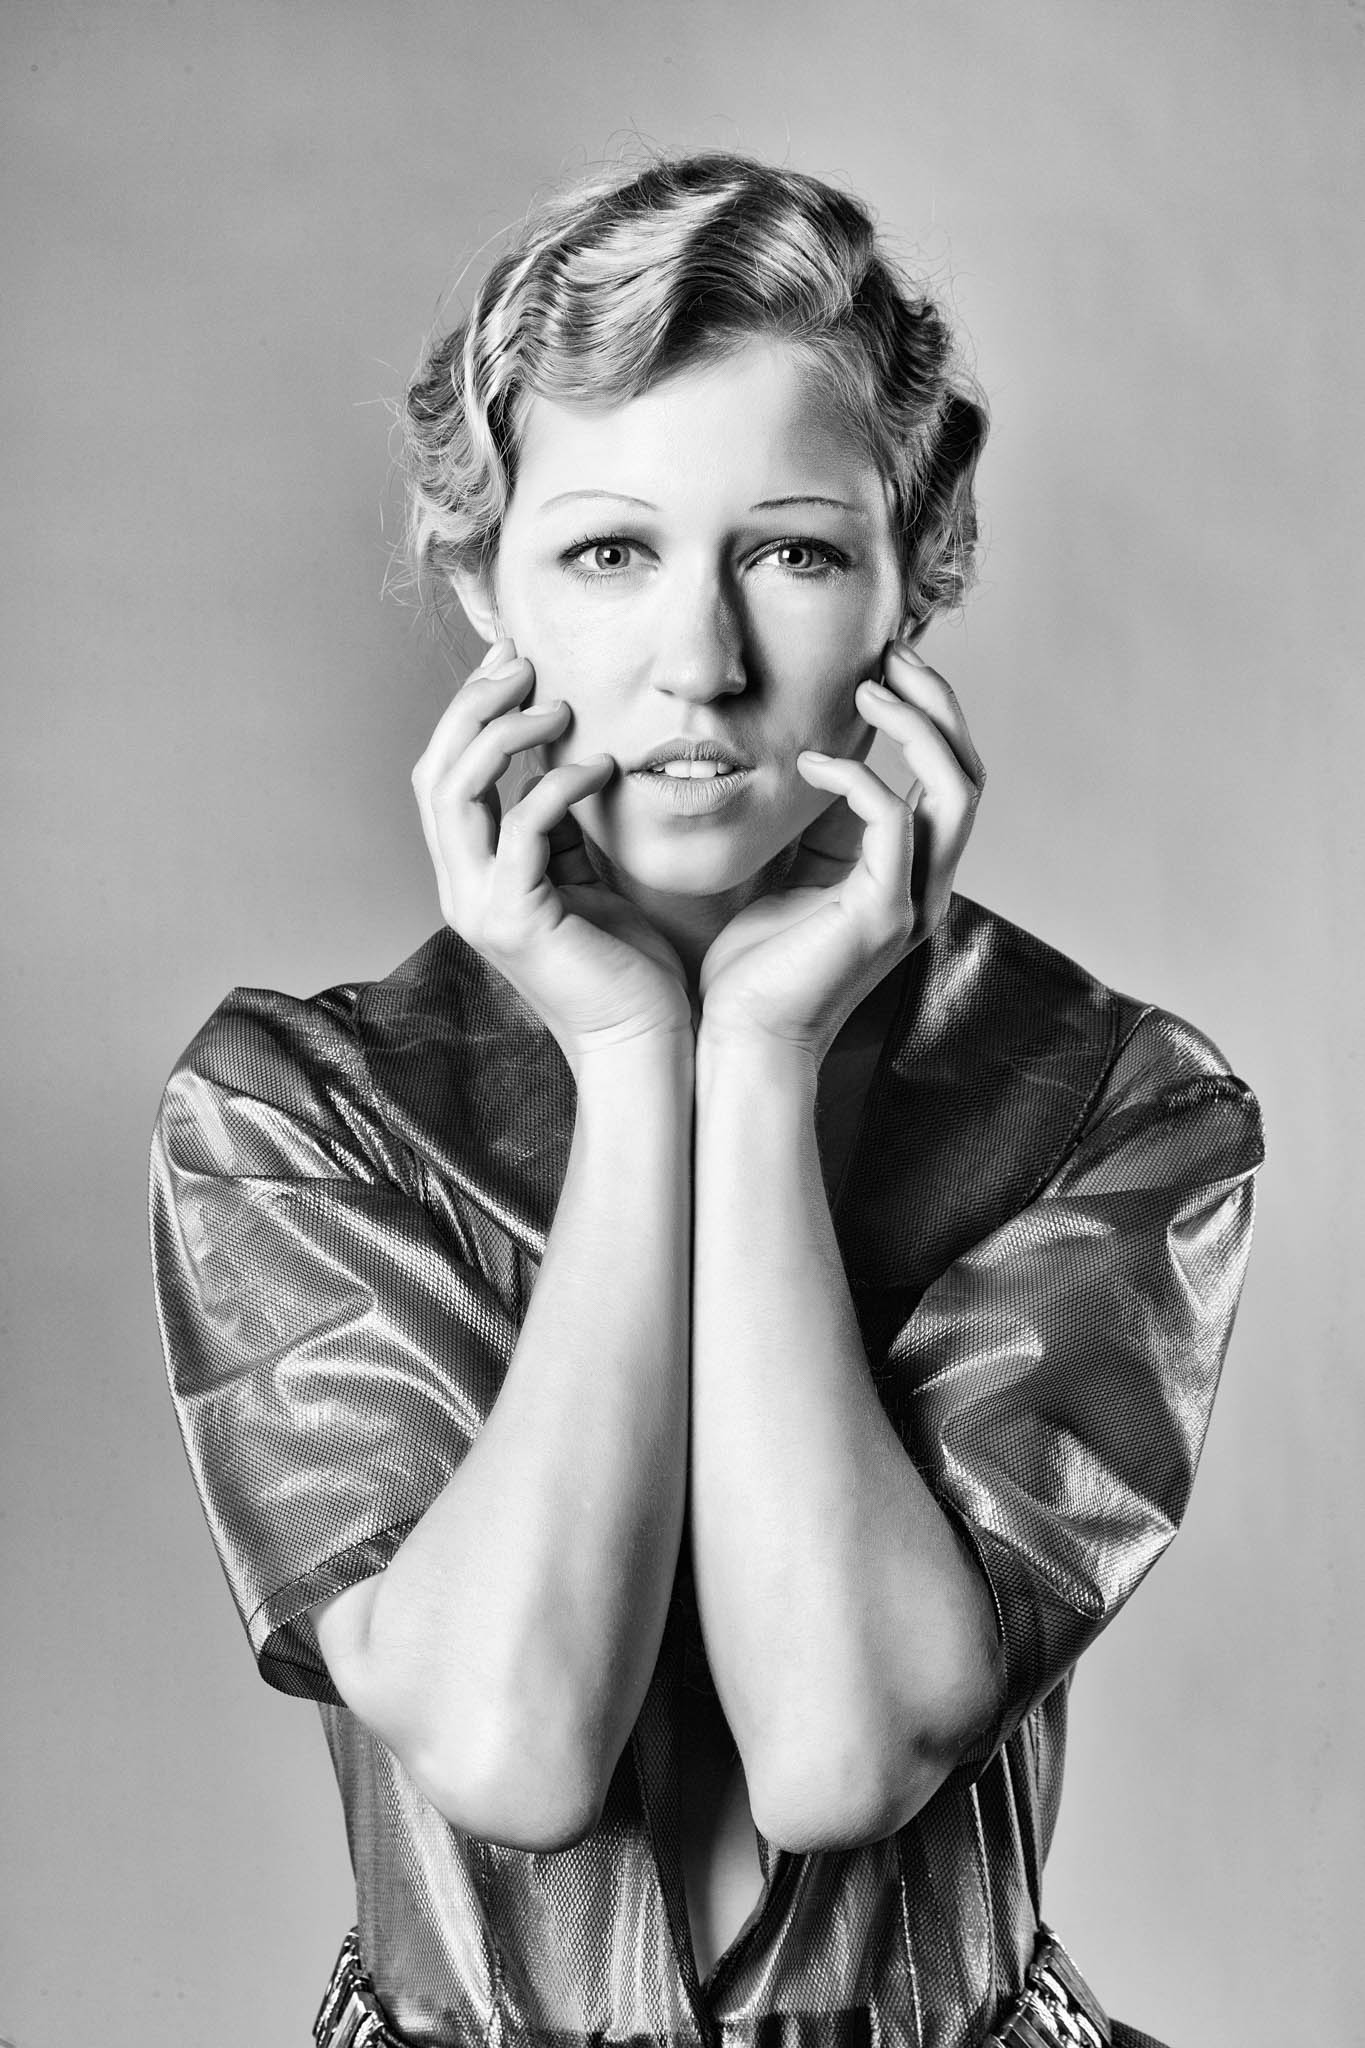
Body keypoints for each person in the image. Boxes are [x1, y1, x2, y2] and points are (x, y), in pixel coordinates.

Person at [149, 152, 1262, 2048]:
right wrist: (625, 1054)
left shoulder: (1116, 1106)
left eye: (792, 551)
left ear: (920, 576)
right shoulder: (290, 1110)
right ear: (478, 585)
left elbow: (844, 1751)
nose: (699, 663)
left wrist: (754, 1057)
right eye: (606, 552)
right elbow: (509, 1743)